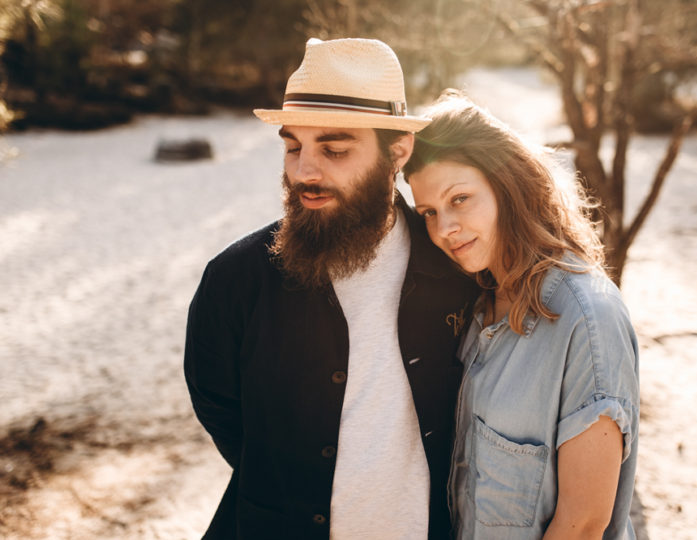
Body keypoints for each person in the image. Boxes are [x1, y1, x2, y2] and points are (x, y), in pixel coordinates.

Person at [184, 40, 478, 539]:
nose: (304, 172)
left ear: (398, 151)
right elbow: (220, 409)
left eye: (334, 150)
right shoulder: (234, 280)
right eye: (293, 145)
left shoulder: (460, 272)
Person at [403, 91, 640, 540]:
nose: (444, 229)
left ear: (506, 184)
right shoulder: (477, 305)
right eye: (428, 213)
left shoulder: (588, 318)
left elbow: (584, 524)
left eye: (460, 199)